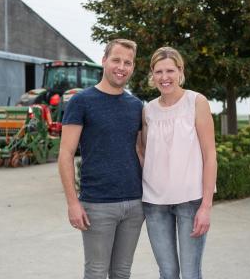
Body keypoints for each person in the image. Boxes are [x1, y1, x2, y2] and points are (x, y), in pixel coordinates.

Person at [58, 39, 144, 279]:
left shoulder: (136, 105)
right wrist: (73, 203)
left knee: (122, 272)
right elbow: (65, 155)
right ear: (104, 61)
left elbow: (140, 151)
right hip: (97, 204)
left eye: (128, 62)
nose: (121, 66)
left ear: (133, 68)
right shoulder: (81, 102)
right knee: (96, 272)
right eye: (116, 60)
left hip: (135, 204)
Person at [141, 47, 217, 279]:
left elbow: (210, 154)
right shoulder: (148, 110)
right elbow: (142, 149)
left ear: (180, 71)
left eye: (170, 70)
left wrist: (206, 206)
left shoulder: (196, 102)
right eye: (159, 71)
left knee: (191, 273)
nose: (165, 77)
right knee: (168, 273)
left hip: (190, 202)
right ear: (152, 75)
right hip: (154, 204)